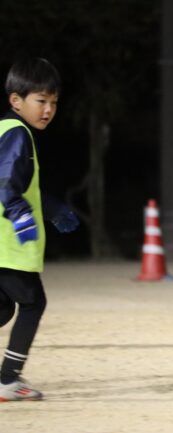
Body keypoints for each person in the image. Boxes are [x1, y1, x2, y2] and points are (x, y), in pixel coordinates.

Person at [0, 57, 79, 402]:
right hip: (7, 245)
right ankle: (7, 380)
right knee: (33, 303)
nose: (48, 110)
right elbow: (6, 183)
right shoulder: (17, 134)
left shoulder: (6, 130)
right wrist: (21, 217)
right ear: (16, 100)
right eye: (41, 101)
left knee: (3, 309)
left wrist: (54, 210)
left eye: (54, 102)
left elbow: (24, 186)